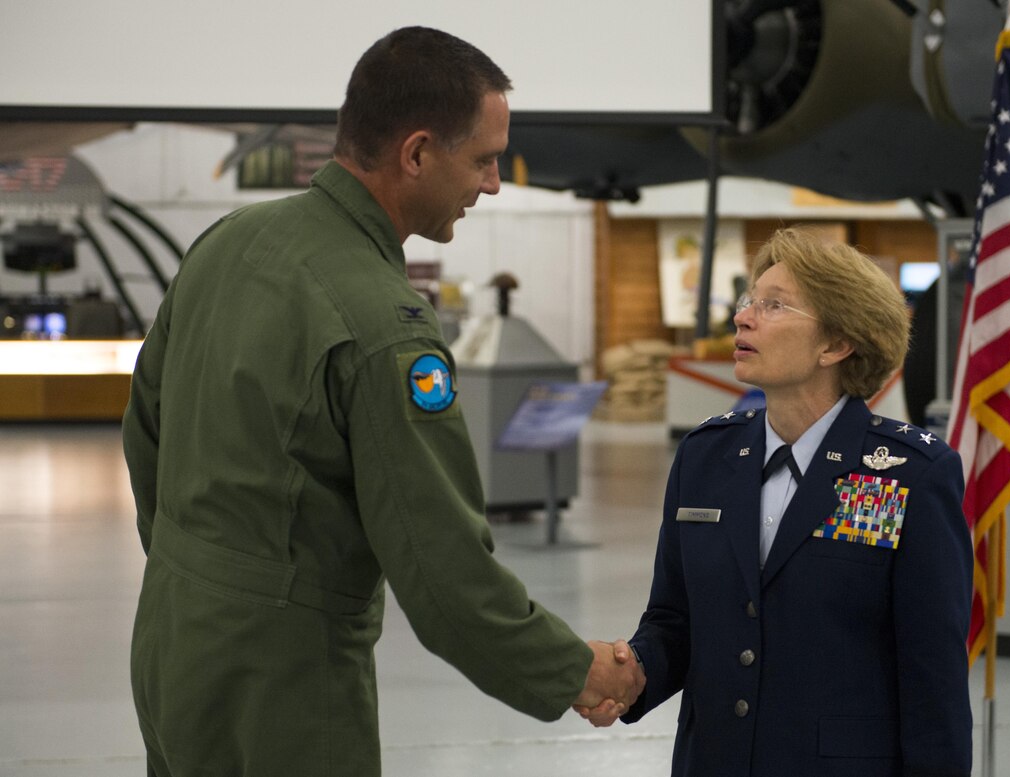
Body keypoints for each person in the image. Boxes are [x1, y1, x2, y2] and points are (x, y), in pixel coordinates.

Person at [122, 26, 641, 777]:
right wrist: (573, 668)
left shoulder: (227, 242)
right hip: (283, 679)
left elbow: (147, 431)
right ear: (418, 153)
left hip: (171, 639)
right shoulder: (384, 323)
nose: (493, 183)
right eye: (484, 159)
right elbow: (441, 568)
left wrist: (204, 575)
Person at [578, 228, 973, 776]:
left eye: (774, 305)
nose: (744, 317)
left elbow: (934, 681)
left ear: (835, 345)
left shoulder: (911, 475)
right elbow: (675, 620)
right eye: (748, 300)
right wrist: (631, 672)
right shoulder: (704, 458)